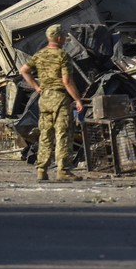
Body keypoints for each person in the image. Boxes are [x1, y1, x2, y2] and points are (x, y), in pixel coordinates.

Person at [18, 24, 84, 181]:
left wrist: (36, 87)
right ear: (59, 38)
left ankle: (42, 170)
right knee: (63, 134)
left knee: (45, 134)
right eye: (64, 36)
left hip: (45, 98)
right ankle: (64, 170)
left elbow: (23, 70)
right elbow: (67, 81)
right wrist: (78, 99)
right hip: (60, 98)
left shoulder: (40, 55)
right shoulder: (62, 56)